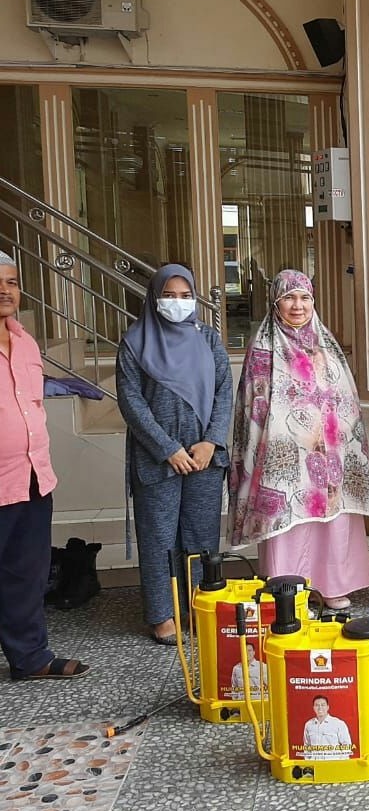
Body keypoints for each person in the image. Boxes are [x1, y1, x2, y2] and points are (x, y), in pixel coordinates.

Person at [228, 270, 369, 610]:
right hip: (283, 457)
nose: (298, 305)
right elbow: (252, 406)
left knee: (331, 518)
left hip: (328, 455)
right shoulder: (263, 347)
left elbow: (344, 400)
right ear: (275, 302)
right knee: (288, 521)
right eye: (289, 298)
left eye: (304, 298)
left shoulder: (326, 345)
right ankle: (288, 591)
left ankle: (331, 584)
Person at [117, 264, 233, 644]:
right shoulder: (135, 342)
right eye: (169, 295)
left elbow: (223, 392)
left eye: (186, 296)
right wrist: (168, 449)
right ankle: (162, 615)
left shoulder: (209, 339)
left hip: (204, 457)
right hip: (158, 458)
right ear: (154, 297)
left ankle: (199, 606)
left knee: (201, 538)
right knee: (159, 536)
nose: (177, 303)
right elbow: (132, 402)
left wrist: (211, 441)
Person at [0, 251, 90, 680]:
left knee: (27, 574)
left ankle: (30, 658)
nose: (5, 290)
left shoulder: (26, 343)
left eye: (12, 282)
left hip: (33, 478)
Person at [302, 695, 352, 759]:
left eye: (323, 705)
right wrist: (308, 762)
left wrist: (339, 763)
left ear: (328, 707)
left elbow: (347, 746)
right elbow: (307, 747)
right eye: (317, 705)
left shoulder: (338, 724)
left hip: (333, 766)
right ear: (313, 707)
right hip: (315, 765)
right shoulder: (308, 725)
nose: (320, 708)